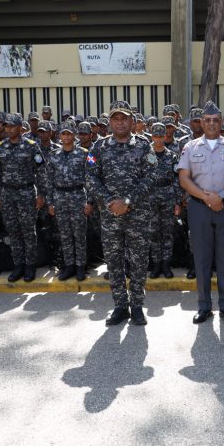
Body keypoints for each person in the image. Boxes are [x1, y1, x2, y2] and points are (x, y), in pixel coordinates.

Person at [86, 102, 156, 327]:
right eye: (115, 118)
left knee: (138, 261)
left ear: (132, 121)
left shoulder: (144, 145)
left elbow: (151, 176)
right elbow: (90, 177)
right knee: (114, 262)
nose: (120, 122)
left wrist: (128, 201)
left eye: (124, 118)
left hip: (138, 215)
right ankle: (119, 306)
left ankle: (136, 306)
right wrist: (109, 202)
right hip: (109, 215)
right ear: (110, 122)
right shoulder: (99, 147)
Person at [177, 101, 224, 325]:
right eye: (207, 120)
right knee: (202, 259)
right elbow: (184, 178)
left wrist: (222, 195)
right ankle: (204, 306)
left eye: (216, 120)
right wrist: (207, 197)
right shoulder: (190, 147)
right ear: (200, 122)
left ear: (222, 123)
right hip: (199, 208)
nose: (211, 124)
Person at [0, 113, 48, 282]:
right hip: (8, 193)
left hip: (26, 193)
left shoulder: (31, 146)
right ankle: (18, 265)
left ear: (20, 128)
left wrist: (41, 194)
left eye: (11, 126)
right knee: (12, 230)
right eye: (6, 126)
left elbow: (41, 172)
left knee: (28, 231)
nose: (8, 129)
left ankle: (30, 265)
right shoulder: (0, 147)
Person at [46, 121, 91, 281]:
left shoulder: (85, 154)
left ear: (74, 135)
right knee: (64, 234)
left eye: (69, 133)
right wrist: (50, 202)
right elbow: (49, 180)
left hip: (78, 196)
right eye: (63, 133)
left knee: (79, 234)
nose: (66, 136)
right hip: (59, 197)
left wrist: (90, 202)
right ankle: (69, 266)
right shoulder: (53, 155)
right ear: (59, 136)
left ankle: (80, 267)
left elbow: (90, 179)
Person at [147, 122, 183, 279]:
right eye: (156, 136)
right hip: (151, 197)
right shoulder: (146, 155)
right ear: (152, 136)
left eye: (161, 136)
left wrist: (177, 202)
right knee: (153, 232)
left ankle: (166, 264)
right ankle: (156, 265)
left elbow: (177, 179)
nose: (159, 139)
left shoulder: (172, 156)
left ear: (165, 136)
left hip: (168, 196)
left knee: (167, 232)